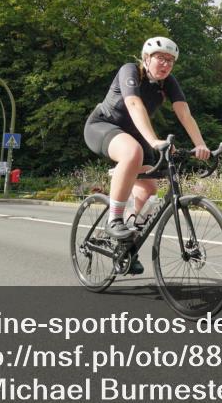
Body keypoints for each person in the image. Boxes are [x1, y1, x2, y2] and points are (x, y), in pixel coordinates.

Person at [84, 37, 211, 275]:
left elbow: (184, 113)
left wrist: (201, 145)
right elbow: (133, 104)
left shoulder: (168, 82)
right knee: (133, 152)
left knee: (149, 189)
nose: (166, 65)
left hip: (135, 132)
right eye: (161, 58)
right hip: (103, 126)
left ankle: (126, 246)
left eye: (171, 61)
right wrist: (154, 141)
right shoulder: (130, 70)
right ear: (146, 58)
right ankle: (115, 220)